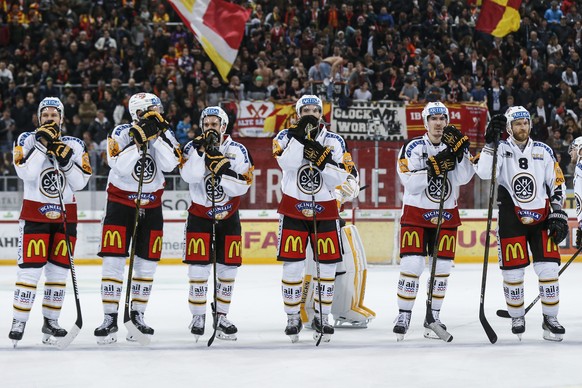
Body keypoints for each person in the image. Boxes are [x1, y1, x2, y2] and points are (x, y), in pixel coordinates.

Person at [94, 92, 181, 344]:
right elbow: (118, 165)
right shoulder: (119, 132)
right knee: (113, 261)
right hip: (120, 205)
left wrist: (158, 136)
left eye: (159, 109)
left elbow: (171, 163)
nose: (158, 113)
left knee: (147, 263)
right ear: (139, 112)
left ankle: (138, 315)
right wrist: (139, 140)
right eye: (153, 109)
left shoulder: (164, 132)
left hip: (151, 205)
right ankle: (109, 317)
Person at [475, 107, 568, 341]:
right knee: (513, 272)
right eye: (517, 124)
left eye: (525, 123)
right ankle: (517, 316)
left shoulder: (544, 150)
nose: (522, 127)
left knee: (548, 269)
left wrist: (557, 211)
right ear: (509, 127)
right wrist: (488, 144)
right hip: (510, 216)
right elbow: (485, 173)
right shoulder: (501, 148)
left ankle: (550, 318)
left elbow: (557, 183)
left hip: (542, 217)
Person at [9, 97, 92, 346]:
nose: (49, 119)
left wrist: (66, 162)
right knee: (30, 272)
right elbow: (26, 172)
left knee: (58, 274)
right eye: (45, 115)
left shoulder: (75, 144)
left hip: (66, 216)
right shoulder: (26, 139)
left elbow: (81, 183)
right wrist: (44, 146)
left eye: (54, 116)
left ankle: (51, 321)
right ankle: (18, 321)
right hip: (35, 215)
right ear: (38, 118)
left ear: (62, 119)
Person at [273, 94, 356, 342]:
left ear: (322, 114)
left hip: (325, 209)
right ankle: (292, 317)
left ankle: (323, 315)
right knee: (293, 266)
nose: (311, 113)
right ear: (298, 114)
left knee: (327, 266)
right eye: (305, 109)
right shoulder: (284, 136)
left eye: (315, 110)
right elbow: (286, 164)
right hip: (293, 208)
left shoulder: (335, 140)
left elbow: (340, 177)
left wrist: (321, 158)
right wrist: (299, 139)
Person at [393, 101, 474, 341]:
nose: (439, 123)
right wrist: (437, 164)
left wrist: (461, 154)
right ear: (425, 122)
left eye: (443, 119)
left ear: (447, 122)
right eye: (434, 118)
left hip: (446, 214)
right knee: (412, 266)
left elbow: (464, 178)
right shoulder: (413, 146)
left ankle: (433, 316)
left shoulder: (453, 144)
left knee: (442, 269)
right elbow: (411, 182)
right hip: (416, 214)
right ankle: (404, 314)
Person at [179, 106, 254, 342]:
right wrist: (202, 154)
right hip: (200, 215)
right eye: (207, 124)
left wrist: (222, 169)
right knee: (198, 269)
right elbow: (188, 177)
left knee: (228, 269)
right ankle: (198, 316)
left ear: (224, 126)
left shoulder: (238, 150)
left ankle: (221, 315)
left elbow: (242, 186)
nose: (211, 128)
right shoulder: (192, 148)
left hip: (228, 216)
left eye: (215, 124)